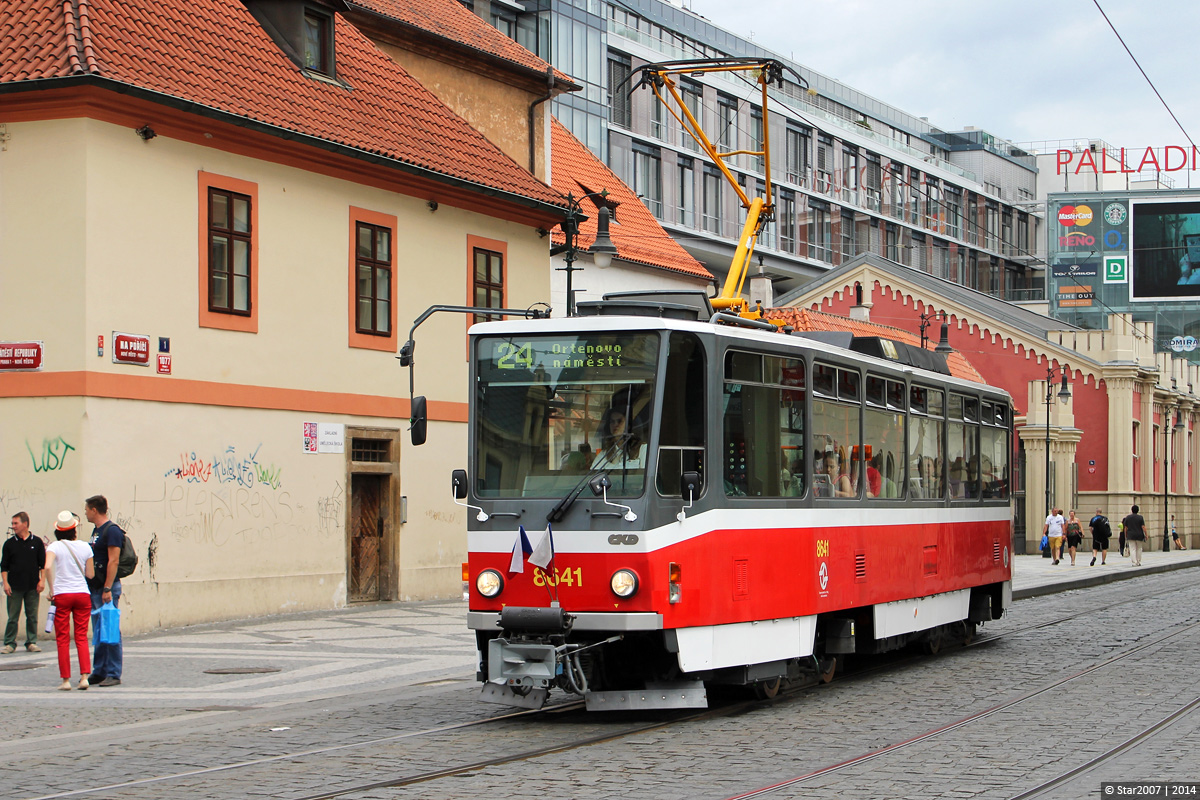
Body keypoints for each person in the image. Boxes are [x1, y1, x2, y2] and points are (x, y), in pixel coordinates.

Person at [45, 511, 94, 690]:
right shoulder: (85, 547)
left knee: (62, 638)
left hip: (62, 594)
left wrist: (52, 589)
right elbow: (90, 574)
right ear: (74, 529)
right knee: (81, 636)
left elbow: (47, 566)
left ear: (58, 530)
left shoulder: (54, 546)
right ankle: (84, 677)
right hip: (82, 594)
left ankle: (66, 680)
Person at [85, 495, 124, 687]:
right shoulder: (96, 531)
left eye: (87, 509)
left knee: (110, 629)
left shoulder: (112, 530)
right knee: (99, 630)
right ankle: (99, 670)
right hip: (96, 587)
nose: (85, 513)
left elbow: (113, 561)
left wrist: (107, 588)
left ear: (94, 510)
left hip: (106, 588)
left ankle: (113, 672)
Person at [2, 512, 46, 654]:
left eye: (16, 523)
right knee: (13, 617)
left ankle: (31, 641)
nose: (13, 526)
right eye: (12, 523)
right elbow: (4, 566)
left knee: (32, 615)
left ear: (25, 524)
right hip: (14, 586)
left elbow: (43, 565)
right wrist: (5, 583)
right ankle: (9, 643)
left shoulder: (37, 542)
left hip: (32, 585)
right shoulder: (9, 544)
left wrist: (42, 580)